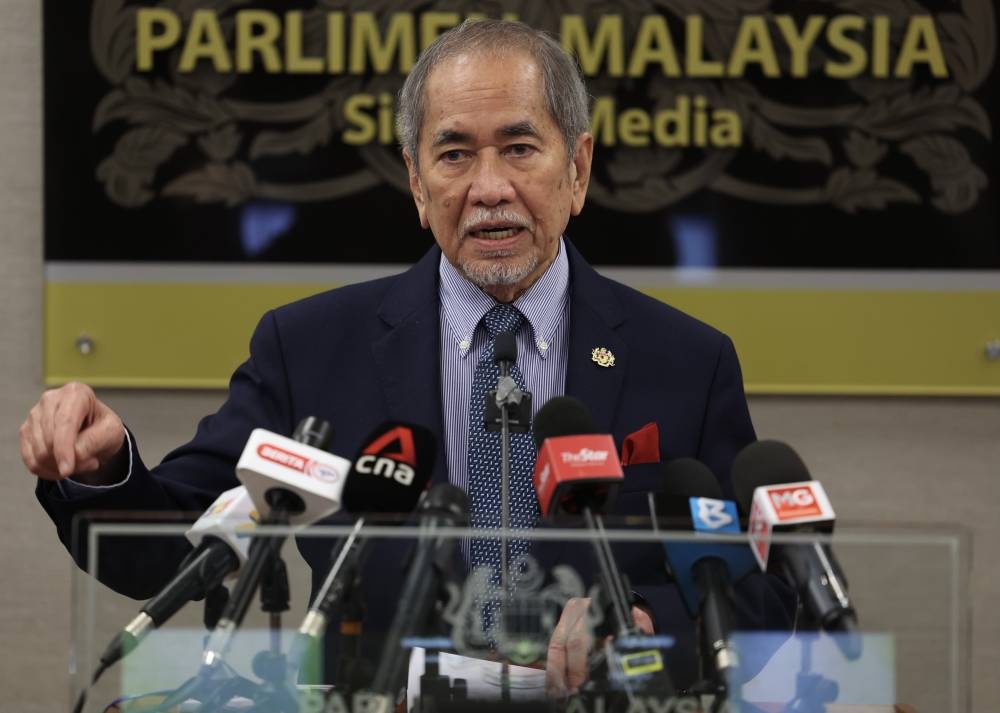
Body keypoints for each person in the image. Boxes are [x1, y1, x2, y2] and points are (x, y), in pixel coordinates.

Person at [21, 19, 791, 700]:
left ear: (579, 167)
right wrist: (103, 467)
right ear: (418, 183)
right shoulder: (312, 349)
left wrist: (646, 621)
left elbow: (763, 592)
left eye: (520, 148)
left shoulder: (686, 360)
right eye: (454, 154)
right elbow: (175, 549)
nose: (489, 188)